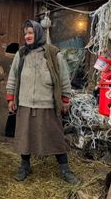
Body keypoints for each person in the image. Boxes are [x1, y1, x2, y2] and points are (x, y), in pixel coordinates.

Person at [6, 20, 79, 184]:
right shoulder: (21, 54)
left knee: (56, 136)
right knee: (24, 137)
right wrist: (11, 97)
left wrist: (65, 98)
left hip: (47, 103)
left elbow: (64, 78)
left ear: (38, 33)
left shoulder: (53, 53)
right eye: (25, 33)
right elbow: (13, 77)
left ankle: (65, 169)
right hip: (25, 103)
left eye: (30, 33)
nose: (27, 36)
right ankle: (25, 166)